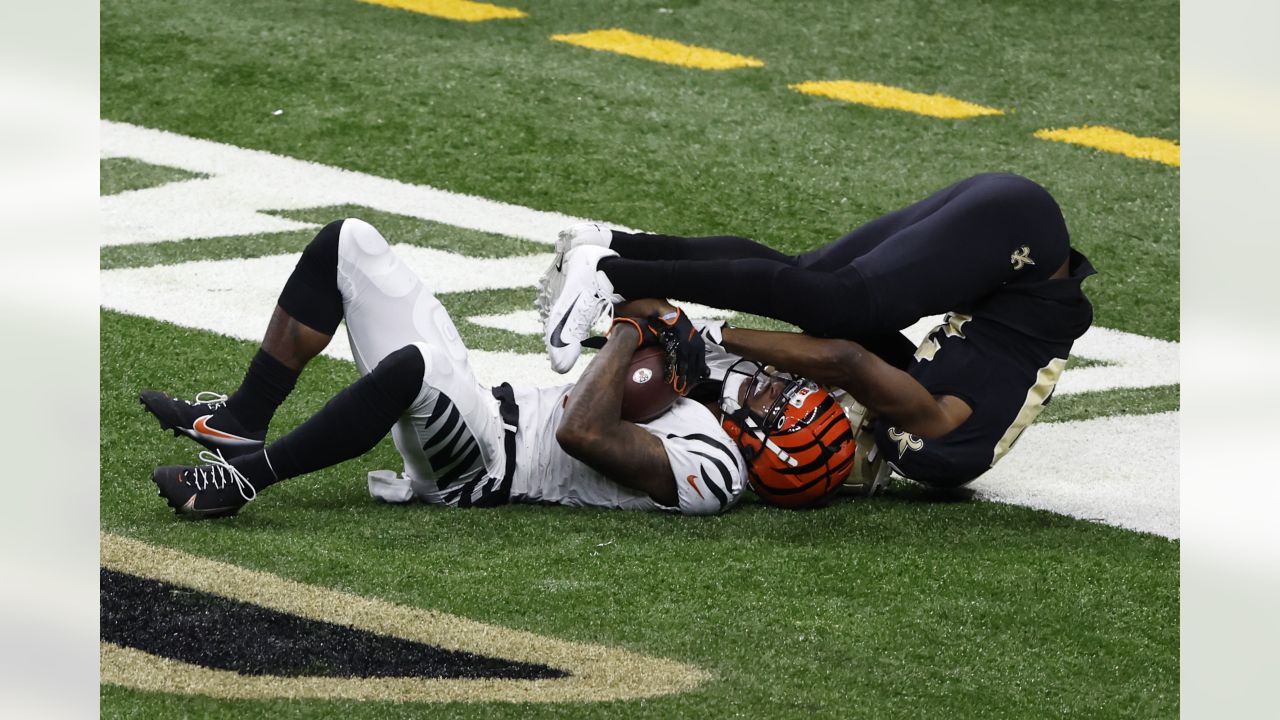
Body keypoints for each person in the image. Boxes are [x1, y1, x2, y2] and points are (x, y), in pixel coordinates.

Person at [138, 219, 855, 519]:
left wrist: (635, 326)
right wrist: (622, 284)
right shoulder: (721, 387)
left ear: (770, 455)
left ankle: (240, 482)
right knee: (348, 243)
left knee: (412, 370)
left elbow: (584, 431)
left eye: (781, 407)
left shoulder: (715, 474)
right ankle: (240, 423)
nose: (774, 387)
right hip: (488, 402)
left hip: (482, 464)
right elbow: (837, 356)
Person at [539, 173, 1097, 488]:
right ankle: (611, 276)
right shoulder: (934, 445)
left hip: (1014, 229)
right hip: (1021, 243)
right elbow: (843, 359)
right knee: (841, 305)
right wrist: (709, 335)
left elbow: (843, 354)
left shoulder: (929, 422)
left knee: (810, 280)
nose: (801, 407)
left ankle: (608, 243)